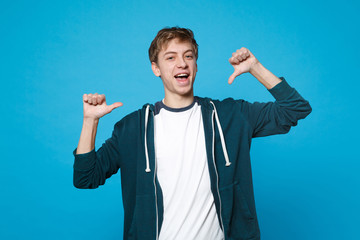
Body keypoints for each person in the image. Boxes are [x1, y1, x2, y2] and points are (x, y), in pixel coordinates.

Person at [73, 27, 312, 240]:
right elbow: (86, 178)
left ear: (195, 65)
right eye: (171, 57)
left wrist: (255, 68)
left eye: (188, 56)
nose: (182, 63)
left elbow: (295, 109)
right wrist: (89, 121)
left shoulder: (230, 115)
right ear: (156, 68)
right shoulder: (132, 128)